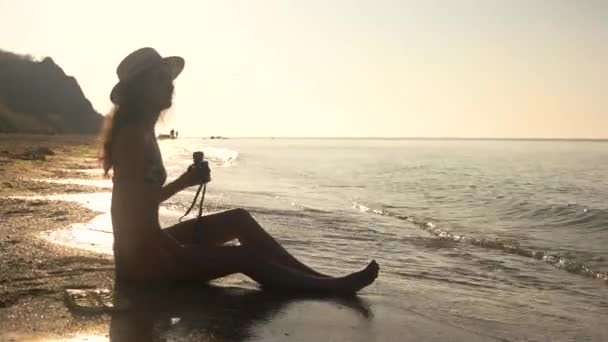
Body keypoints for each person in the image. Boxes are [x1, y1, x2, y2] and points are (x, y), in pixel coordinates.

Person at [99, 47, 379, 293]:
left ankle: (318, 278)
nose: (170, 85)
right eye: (160, 79)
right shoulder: (133, 137)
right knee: (244, 257)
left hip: (148, 243)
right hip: (141, 263)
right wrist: (179, 251)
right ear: (142, 89)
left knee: (238, 220)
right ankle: (329, 287)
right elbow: (132, 212)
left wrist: (185, 181)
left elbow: (142, 203)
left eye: (168, 78)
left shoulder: (144, 130)